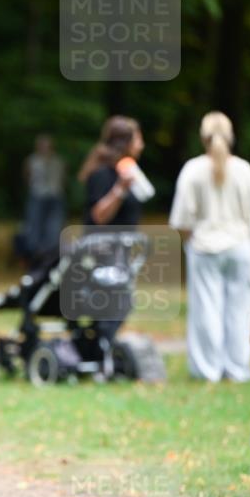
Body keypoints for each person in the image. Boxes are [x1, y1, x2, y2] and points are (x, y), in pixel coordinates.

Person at [169, 111, 250, 383]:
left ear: (203, 137)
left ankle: (208, 369)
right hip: (241, 246)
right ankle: (237, 369)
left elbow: (182, 219)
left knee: (207, 309)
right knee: (240, 310)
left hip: (205, 247)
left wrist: (190, 241)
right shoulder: (244, 169)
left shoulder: (193, 170)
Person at [78, 116, 155, 343]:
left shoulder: (129, 171)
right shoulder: (102, 174)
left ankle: (100, 346)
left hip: (122, 251)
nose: (141, 144)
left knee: (121, 302)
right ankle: (100, 347)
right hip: (101, 251)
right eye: (138, 139)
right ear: (125, 142)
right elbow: (98, 216)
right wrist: (120, 189)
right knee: (114, 302)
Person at [21, 134, 65, 259]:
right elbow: (27, 177)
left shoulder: (58, 161)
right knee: (34, 224)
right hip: (37, 195)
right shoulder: (31, 160)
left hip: (55, 195)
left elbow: (62, 178)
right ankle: (34, 251)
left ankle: (50, 250)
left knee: (54, 224)